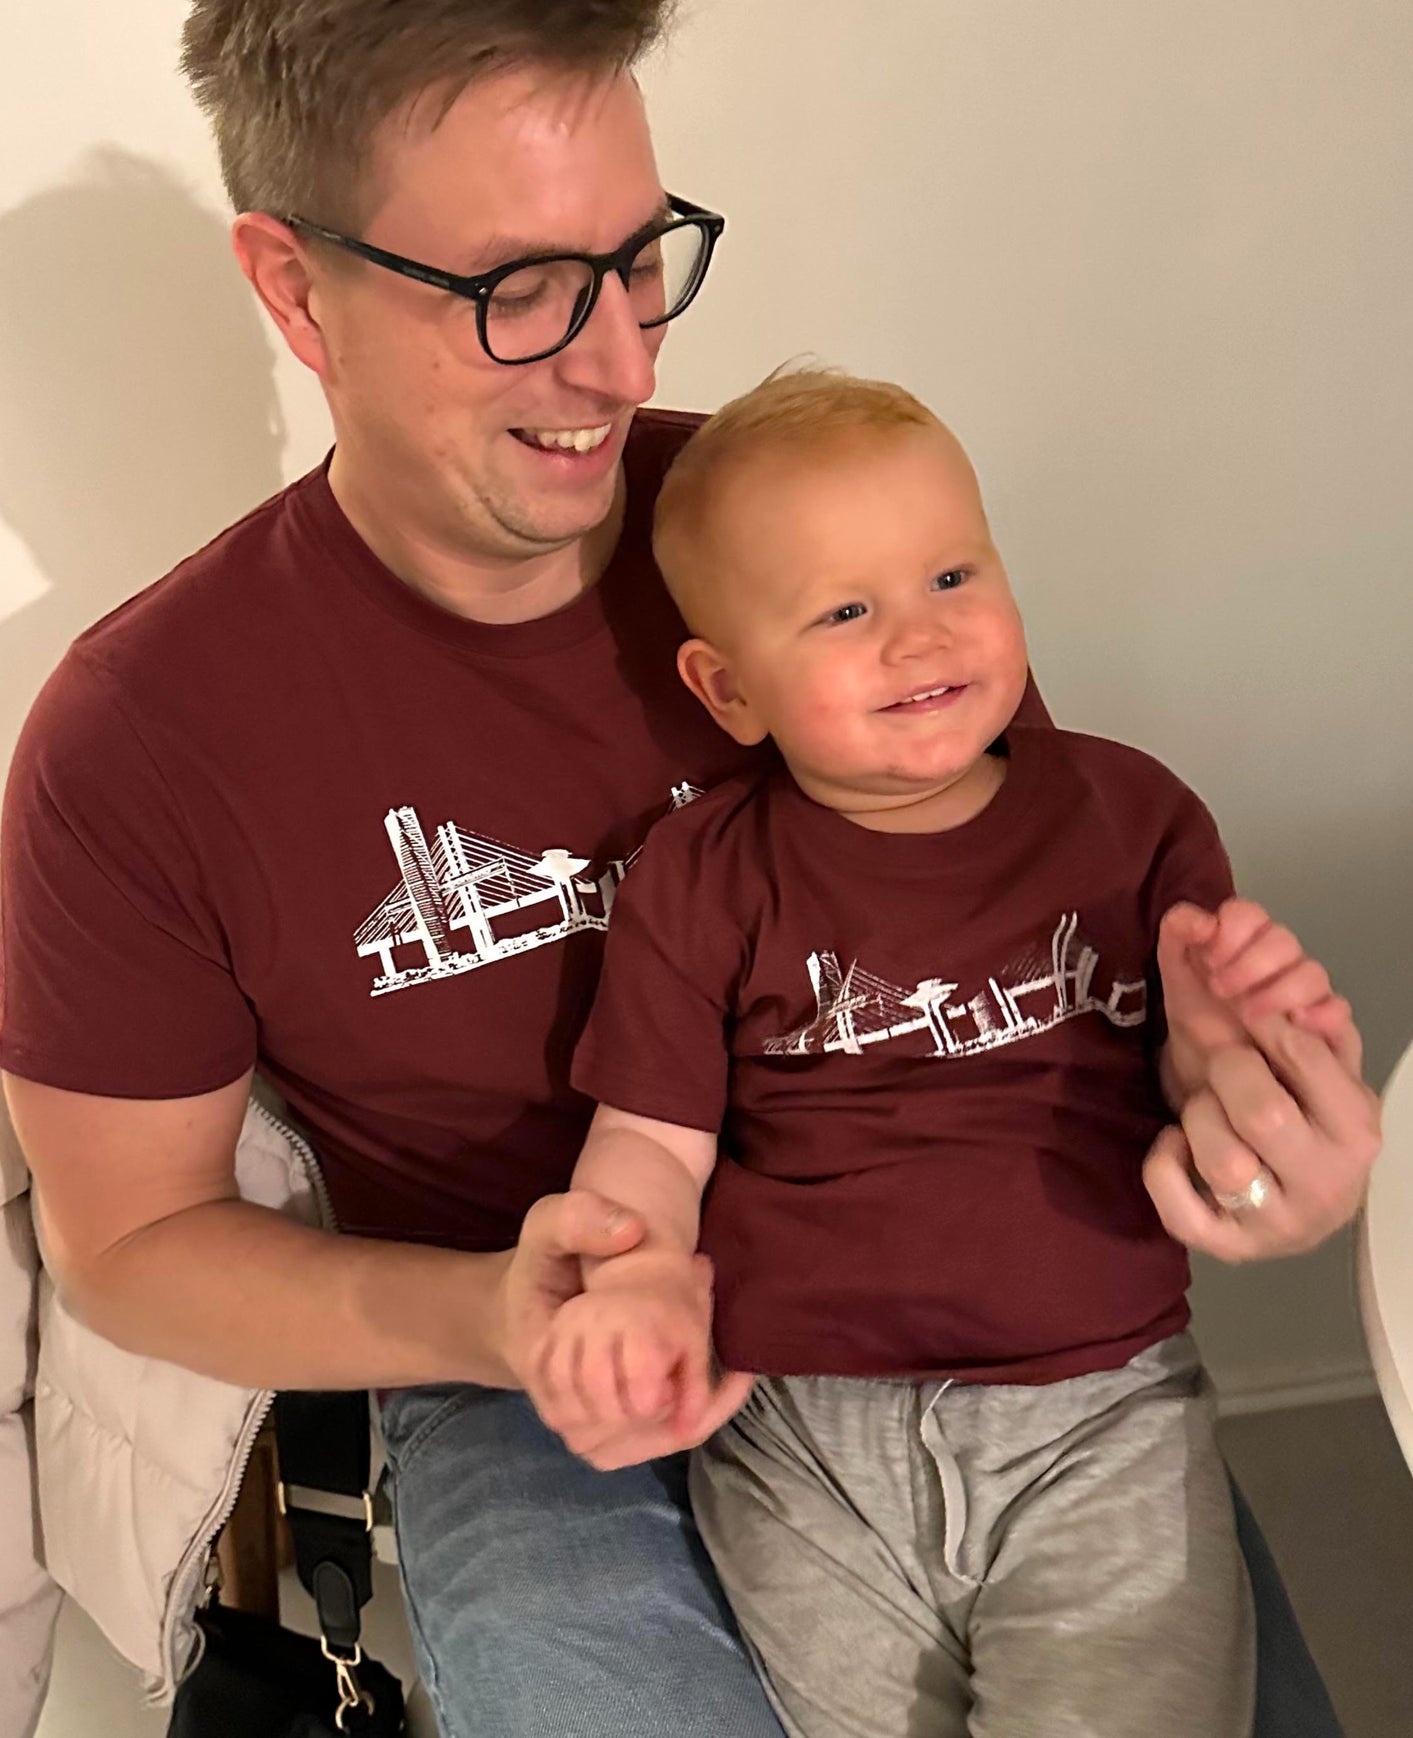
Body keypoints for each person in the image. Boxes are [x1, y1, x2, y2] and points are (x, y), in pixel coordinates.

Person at [0, 0, 1376, 1738]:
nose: (621, 355)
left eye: (642, 253)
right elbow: (130, 1244)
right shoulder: (140, 737)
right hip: (523, 1364)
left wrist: (1239, 1147)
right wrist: (495, 1315)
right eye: (519, 288)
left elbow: (1046, 963)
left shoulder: (814, 537)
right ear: (292, 286)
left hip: (988, 1340)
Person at [541, 368, 1355, 1736]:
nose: (917, 634)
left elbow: (1205, 1123)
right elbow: (650, 1137)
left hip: (1097, 1415)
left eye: (951, 574)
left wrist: (1237, 1058)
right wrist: (629, 1279)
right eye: (846, 609)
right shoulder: (699, 874)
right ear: (728, 687)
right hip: (799, 1432)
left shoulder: (1128, 815)